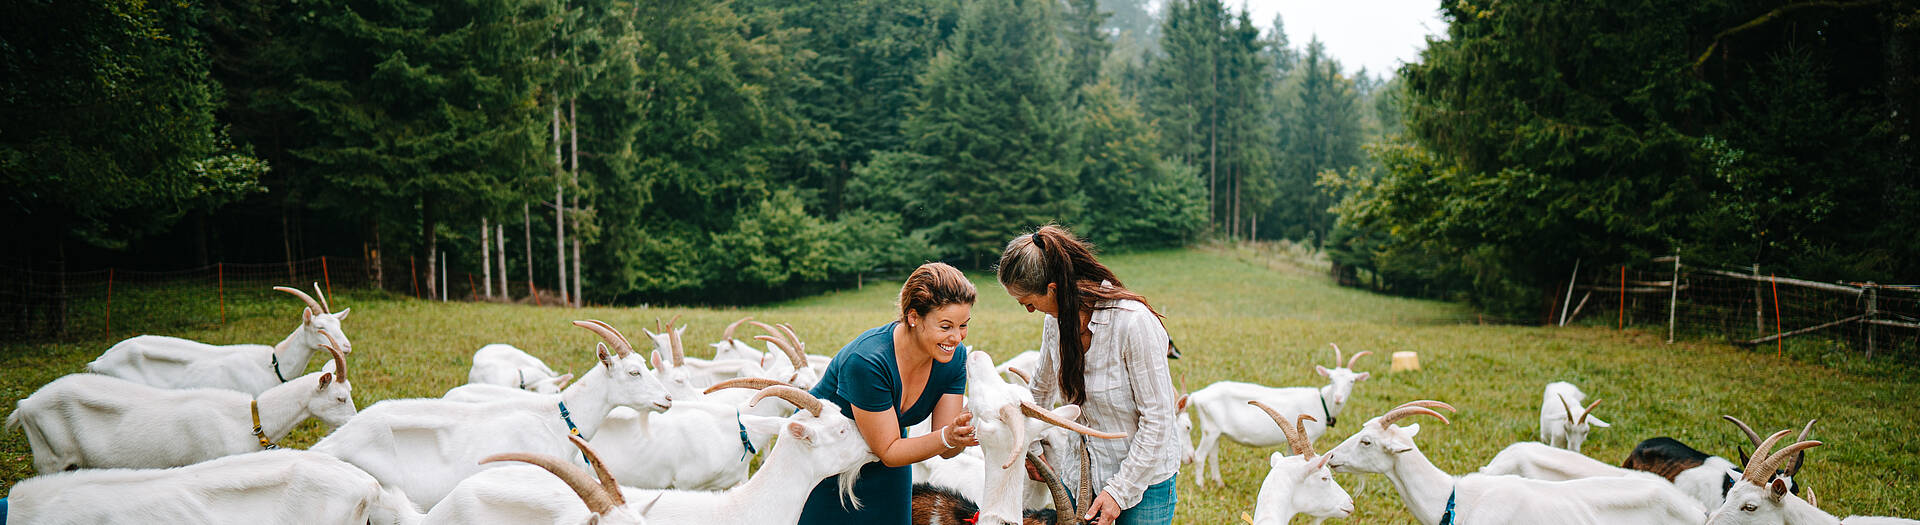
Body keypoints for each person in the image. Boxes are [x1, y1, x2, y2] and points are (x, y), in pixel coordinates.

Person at [998, 225, 1179, 525]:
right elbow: (1039, 393)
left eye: (1029, 302)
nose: (1030, 311)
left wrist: (1118, 493)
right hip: (1080, 477)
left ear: (1053, 289)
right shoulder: (1054, 322)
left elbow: (1159, 419)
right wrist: (1032, 446)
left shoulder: (1133, 324)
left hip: (1143, 484)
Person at [797, 262, 981, 524]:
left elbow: (946, 448)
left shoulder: (953, 358)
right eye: (946, 326)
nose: (957, 337)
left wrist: (961, 434)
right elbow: (890, 451)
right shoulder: (867, 361)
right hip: (824, 457)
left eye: (964, 325)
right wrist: (947, 437)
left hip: (890, 454)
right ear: (913, 317)